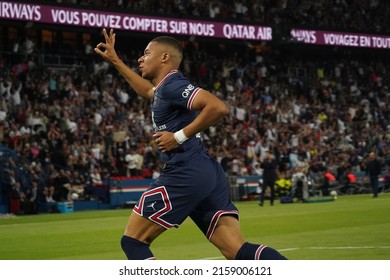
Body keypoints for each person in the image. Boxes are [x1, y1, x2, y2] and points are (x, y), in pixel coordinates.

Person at [95, 29, 286, 260]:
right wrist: (116, 61)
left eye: (146, 53)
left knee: (133, 241)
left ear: (165, 57)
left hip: (185, 171)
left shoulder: (172, 86)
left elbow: (218, 107)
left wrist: (178, 136)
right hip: (207, 171)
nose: (140, 58)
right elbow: (147, 91)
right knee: (237, 250)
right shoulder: (163, 89)